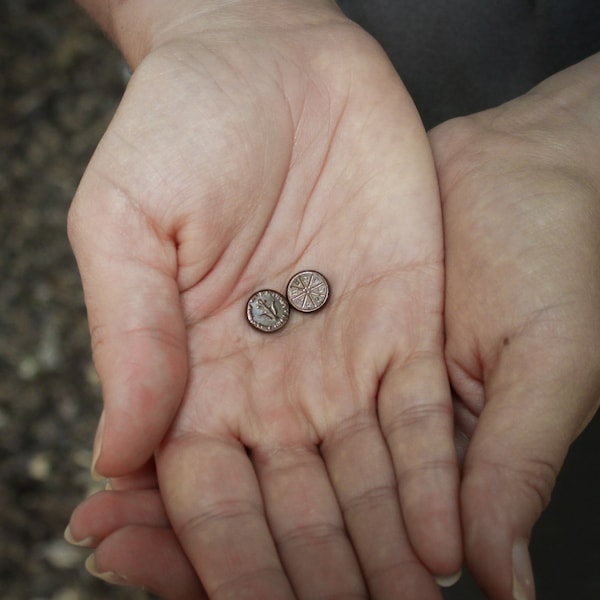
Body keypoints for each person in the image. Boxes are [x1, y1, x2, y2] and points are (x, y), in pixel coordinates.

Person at [64, 1, 600, 599]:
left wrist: (580, 139)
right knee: (434, 513)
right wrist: (219, 16)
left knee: (518, 499)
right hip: (330, 86)